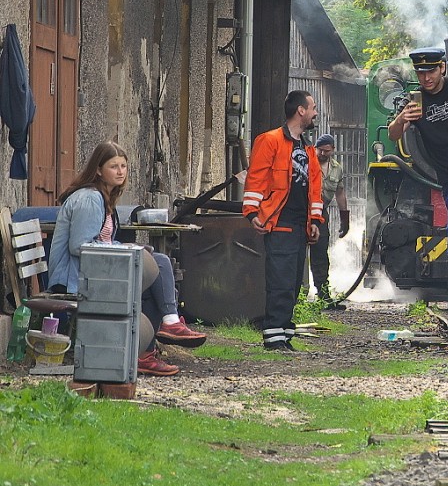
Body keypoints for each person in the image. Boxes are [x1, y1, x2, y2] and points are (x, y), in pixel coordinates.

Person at [47, 141, 206, 376]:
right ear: (99, 170)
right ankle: (167, 326)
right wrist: (122, 247)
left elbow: (99, 244)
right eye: (114, 166)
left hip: (92, 271)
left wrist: (128, 246)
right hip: (75, 278)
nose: (120, 171)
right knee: (159, 263)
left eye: (123, 166)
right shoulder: (89, 198)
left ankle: (147, 350)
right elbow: (79, 246)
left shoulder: (103, 197)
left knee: (155, 270)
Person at [243, 90, 324, 350]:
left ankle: (284, 335)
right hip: (278, 223)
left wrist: (314, 220)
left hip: (300, 226)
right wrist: (253, 212)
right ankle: (274, 338)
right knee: (280, 282)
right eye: (312, 107)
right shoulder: (270, 141)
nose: (315, 112)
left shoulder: (307, 148)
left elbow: (314, 189)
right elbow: (256, 178)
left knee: (291, 284)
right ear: (300, 110)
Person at [387, 48, 448, 244]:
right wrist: (401, 119)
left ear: (442, 68)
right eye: (421, 73)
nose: (426, 78)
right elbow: (393, 134)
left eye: (431, 71)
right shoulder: (414, 101)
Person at [309, 133, 349, 305]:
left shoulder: (337, 168)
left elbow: (340, 193)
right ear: (316, 148)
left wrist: (345, 219)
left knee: (320, 253)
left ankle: (323, 294)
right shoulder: (308, 162)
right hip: (302, 209)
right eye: (321, 150)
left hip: (321, 212)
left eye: (327, 151)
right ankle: (297, 294)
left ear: (332, 150)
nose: (323, 154)